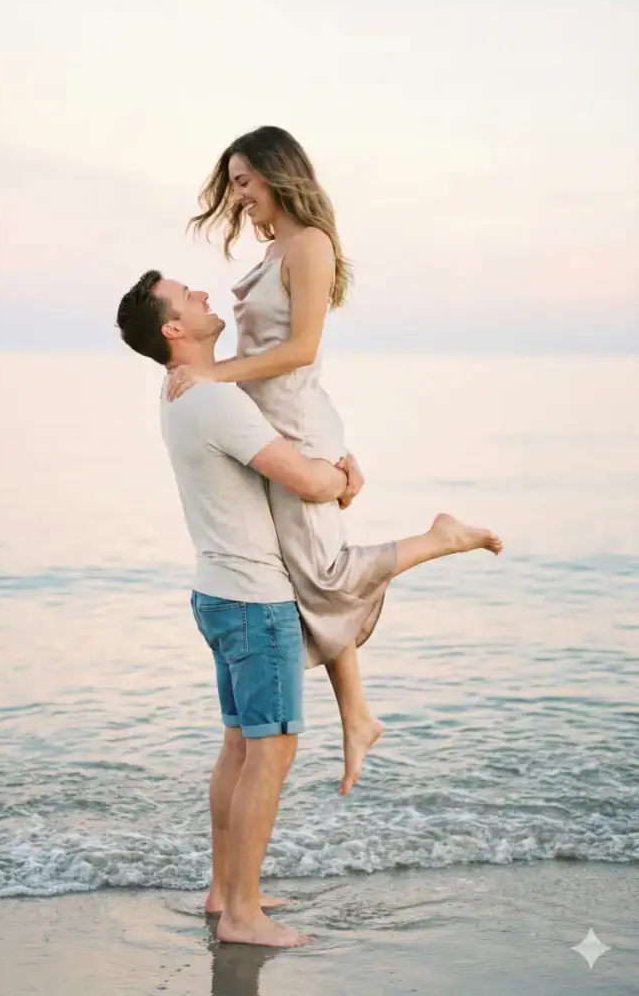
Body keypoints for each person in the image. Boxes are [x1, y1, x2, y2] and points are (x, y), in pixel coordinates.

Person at [115, 271, 502, 946]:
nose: (205, 294)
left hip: (216, 592)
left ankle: (226, 891)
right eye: (188, 296)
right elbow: (307, 480)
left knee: (239, 745)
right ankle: (241, 916)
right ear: (172, 329)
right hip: (252, 602)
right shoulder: (214, 402)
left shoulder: (179, 394)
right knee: (271, 750)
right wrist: (347, 477)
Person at [165, 125, 503, 795]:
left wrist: (214, 374)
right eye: (231, 186)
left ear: (276, 174)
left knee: (320, 573)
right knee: (302, 581)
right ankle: (356, 717)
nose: (237, 198)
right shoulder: (278, 247)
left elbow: (301, 349)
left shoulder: (310, 245)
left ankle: (440, 539)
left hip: (294, 424)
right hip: (277, 425)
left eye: (243, 182)